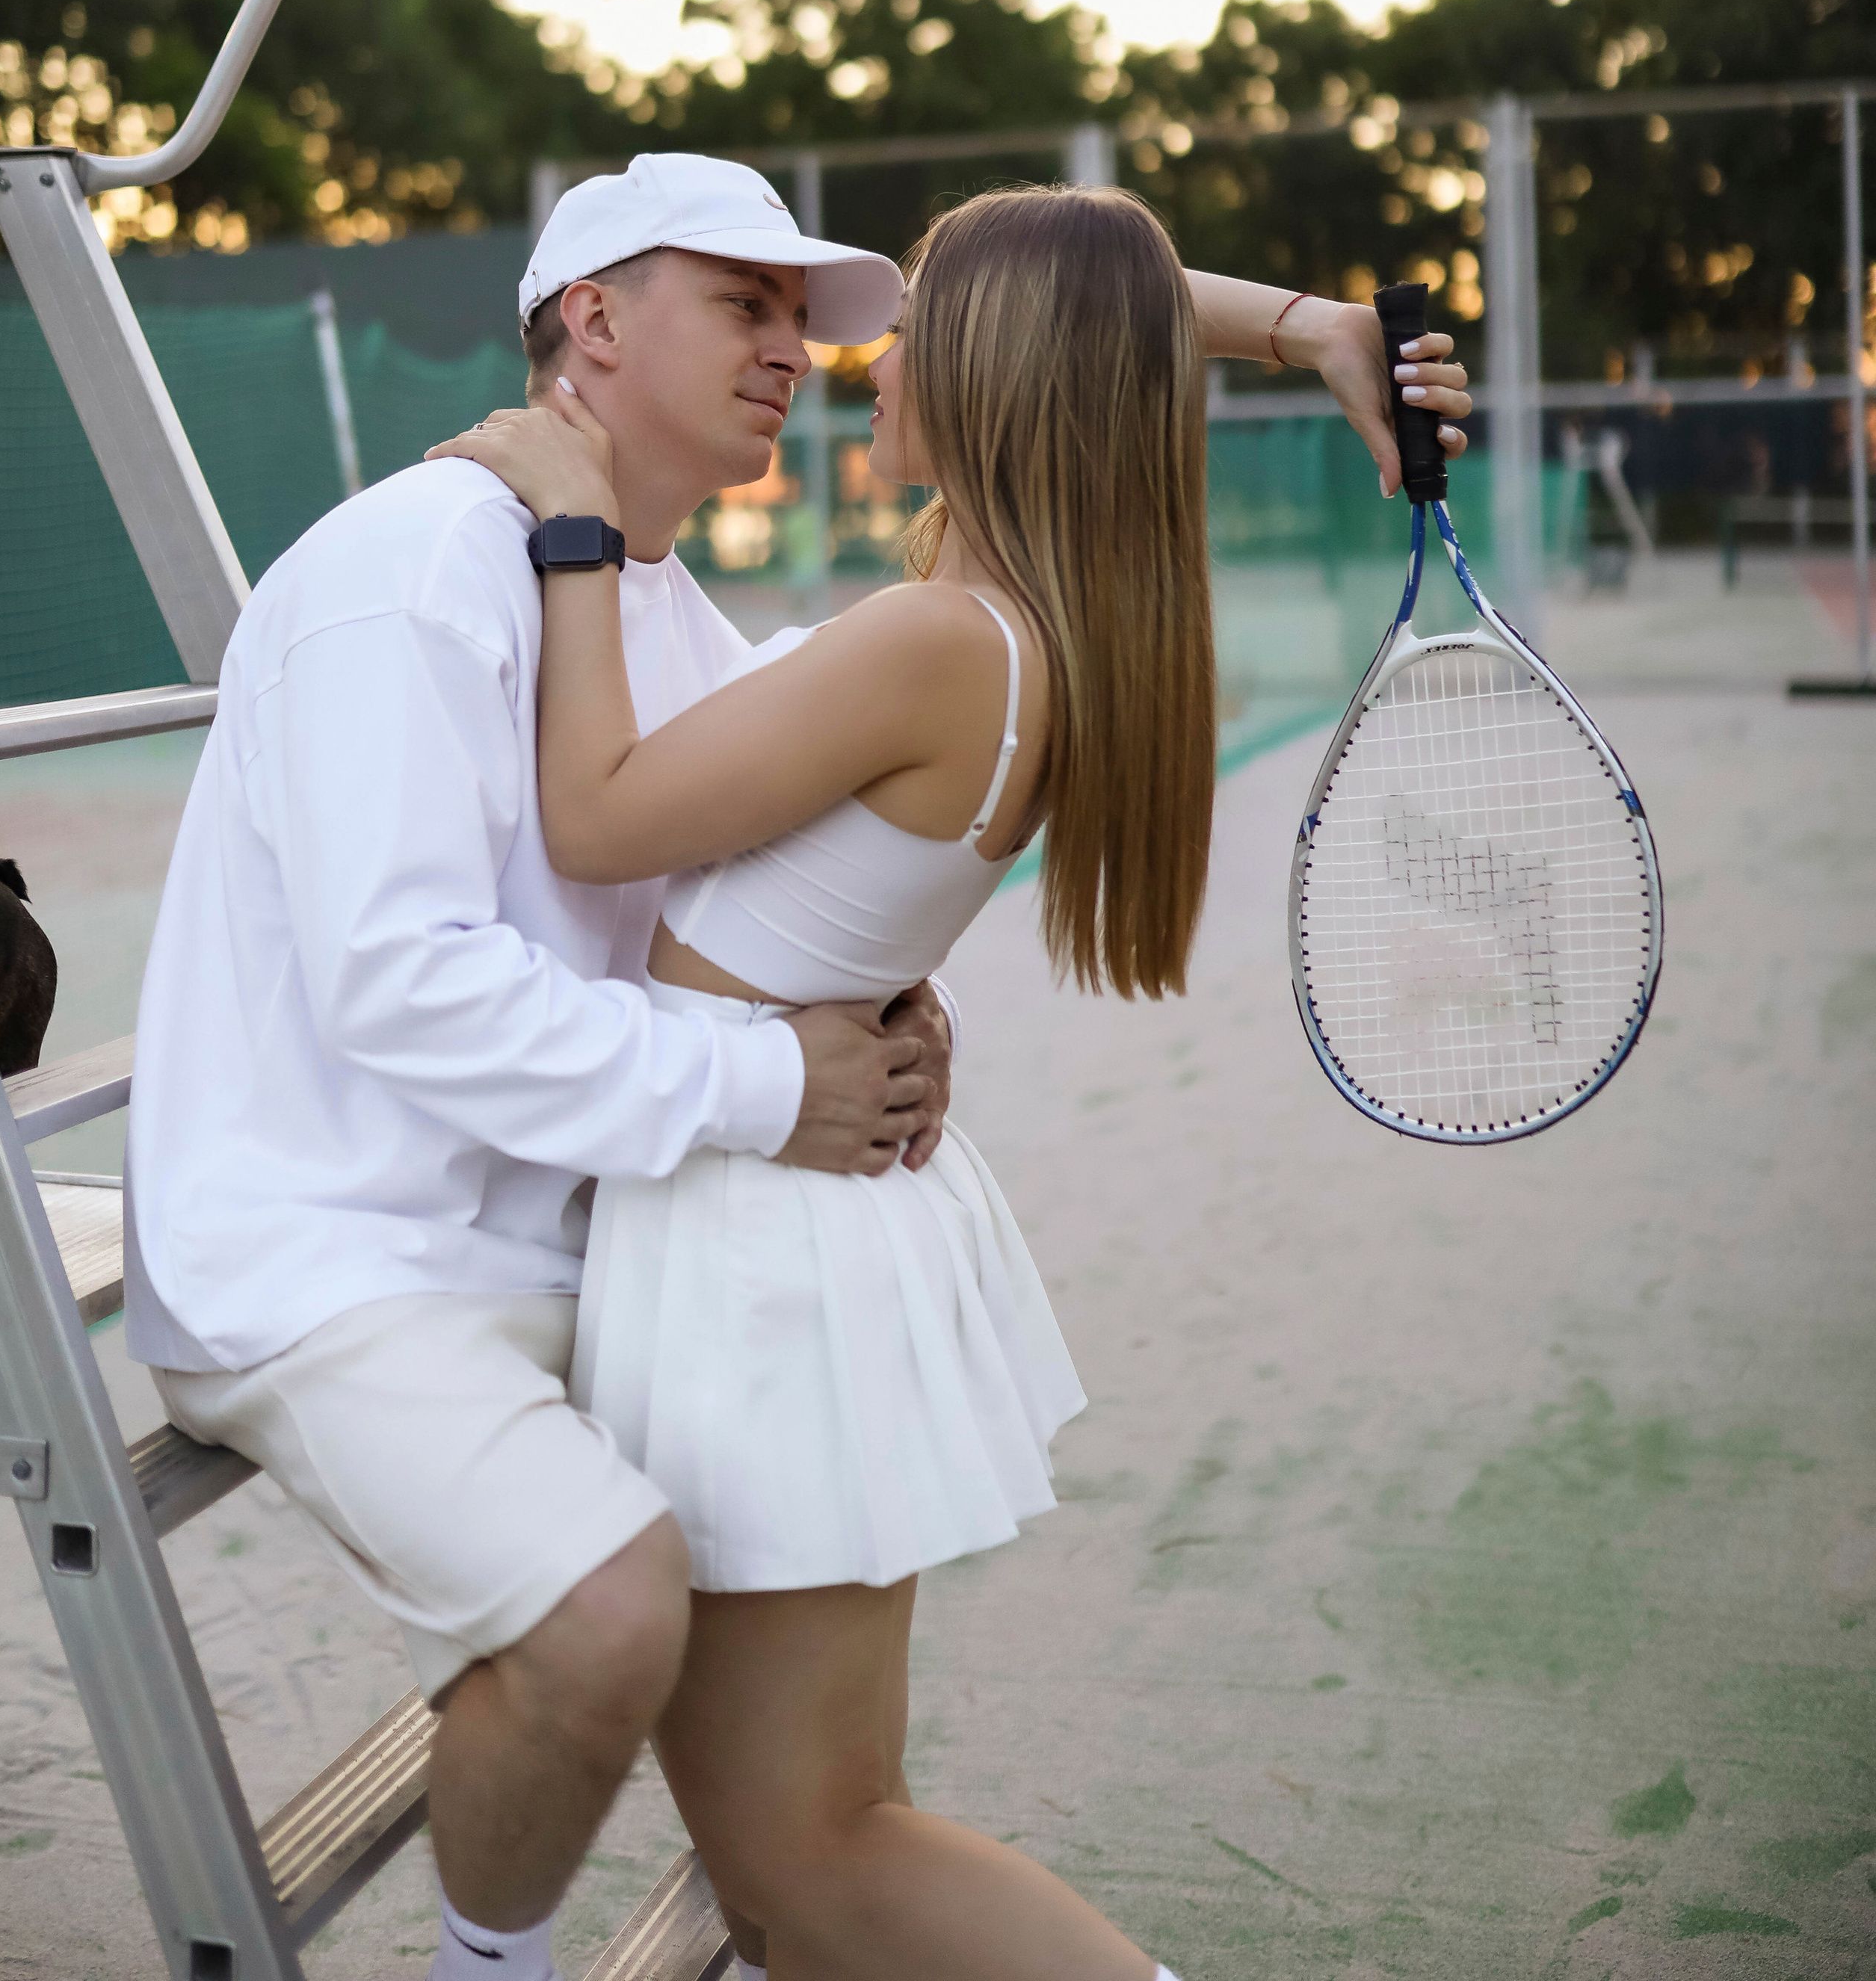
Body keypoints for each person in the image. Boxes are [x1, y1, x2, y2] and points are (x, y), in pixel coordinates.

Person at [431, 180, 1472, 1981]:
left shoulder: (937, 639)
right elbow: (1106, 305)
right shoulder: (1014, 623)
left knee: (814, 1861)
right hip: (787, 1221)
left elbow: (593, 816)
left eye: (911, 328)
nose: (864, 358)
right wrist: (1308, 327)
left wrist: (572, 524)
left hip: (763, 1248)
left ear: (993, 369)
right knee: (812, 1858)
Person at [124, 155, 960, 1981]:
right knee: (603, 1613)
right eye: (741, 304)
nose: (791, 350)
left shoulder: (654, 603)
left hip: (573, 1235)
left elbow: (749, 895)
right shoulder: (412, 567)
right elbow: (404, 984)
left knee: (823, 1554)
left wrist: (888, 1009)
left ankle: (818, 1875)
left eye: (799, 320)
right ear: (592, 317)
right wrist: (771, 1088)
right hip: (331, 1252)